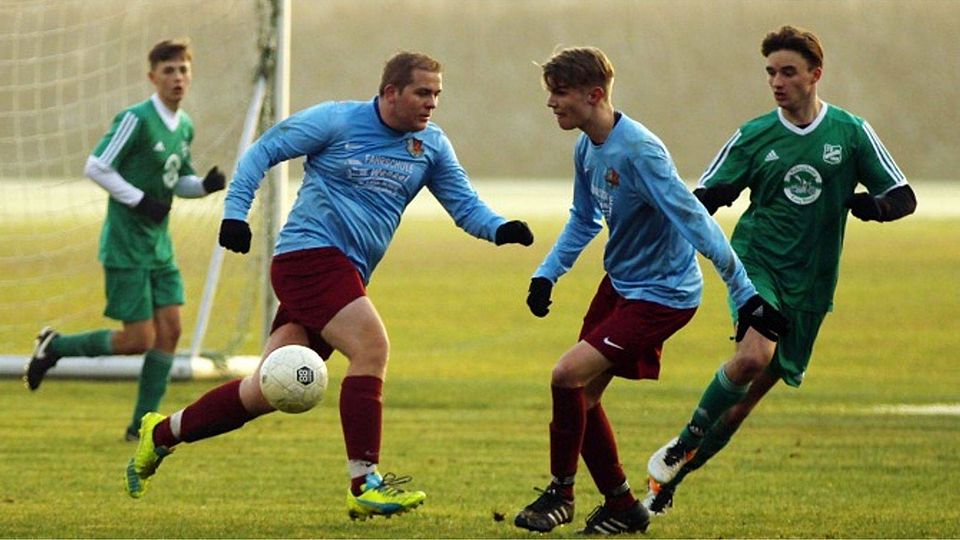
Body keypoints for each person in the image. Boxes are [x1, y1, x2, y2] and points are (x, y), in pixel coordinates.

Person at [123, 51, 535, 520]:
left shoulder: (431, 146)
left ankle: (161, 434)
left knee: (266, 390)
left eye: (437, 94)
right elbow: (263, 152)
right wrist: (235, 214)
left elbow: (466, 206)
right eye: (423, 93)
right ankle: (364, 483)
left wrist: (501, 228)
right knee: (372, 347)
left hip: (346, 273)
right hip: (308, 259)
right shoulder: (338, 121)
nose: (432, 104)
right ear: (391, 93)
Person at [512, 47, 787, 535]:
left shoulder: (640, 151)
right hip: (620, 284)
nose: (551, 103)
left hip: (662, 295)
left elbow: (694, 219)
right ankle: (621, 506)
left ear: (594, 94)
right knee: (583, 396)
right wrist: (547, 273)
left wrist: (744, 294)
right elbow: (583, 218)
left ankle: (561, 491)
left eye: (559, 93)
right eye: (549, 93)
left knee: (565, 376)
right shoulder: (586, 146)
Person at [644, 25, 917, 515]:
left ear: (816, 74)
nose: (777, 81)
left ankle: (667, 485)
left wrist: (873, 207)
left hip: (812, 281)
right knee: (751, 357)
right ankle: (681, 443)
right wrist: (685, 216)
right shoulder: (754, 135)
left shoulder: (850, 133)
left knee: (743, 402)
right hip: (757, 263)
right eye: (771, 72)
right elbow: (704, 196)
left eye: (788, 72)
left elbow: (903, 195)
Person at [24, 38, 225, 441]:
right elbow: (96, 166)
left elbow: (176, 179)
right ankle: (55, 346)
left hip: (159, 246)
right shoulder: (135, 119)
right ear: (152, 77)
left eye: (183, 69)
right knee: (138, 340)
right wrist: (139, 199)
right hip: (125, 245)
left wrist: (202, 185)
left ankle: (142, 428)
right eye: (168, 70)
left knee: (170, 332)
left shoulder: (183, 125)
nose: (177, 78)